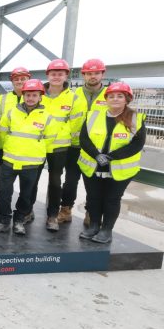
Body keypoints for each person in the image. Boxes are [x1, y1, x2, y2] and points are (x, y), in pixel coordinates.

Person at [77, 82, 145, 243]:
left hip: (119, 169)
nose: (115, 99)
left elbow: (137, 145)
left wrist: (111, 157)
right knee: (93, 197)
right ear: (106, 99)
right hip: (93, 166)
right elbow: (84, 139)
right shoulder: (93, 115)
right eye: (111, 96)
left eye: (120, 96)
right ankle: (94, 225)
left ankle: (106, 230)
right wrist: (96, 155)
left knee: (112, 199)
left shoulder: (136, 119)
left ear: (127, 99)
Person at [0, 79, 56, 235]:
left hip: (31, 164)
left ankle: (19, 221)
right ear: (23, 95)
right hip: (10, 160)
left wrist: (34, 150)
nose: (30, 98)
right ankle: (4, 221)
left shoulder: (47, 117)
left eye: (34, 95)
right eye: (28, 95)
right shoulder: (11, 112)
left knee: (26, 195)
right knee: (4, 193)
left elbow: (50, 139)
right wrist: (7, 149)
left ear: (40, 97)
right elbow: (3, 133)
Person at [33, 59, 80, 231]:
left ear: (66, 75)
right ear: (48, 75)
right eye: (53, 73)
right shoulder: (38, 93)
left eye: (60, 74)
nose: (56, 77)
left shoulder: (74, 98)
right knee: (33, 179)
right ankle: (28, 210)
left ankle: (52, 216)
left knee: (54, 181)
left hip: (59, 146)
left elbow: (76, 124)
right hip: (37, 144)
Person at [59, 58, 108, 225]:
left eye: (96, 73)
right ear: (83, 75)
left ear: (102, 74)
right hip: (74, 145)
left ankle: (91, 214)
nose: (92, 76)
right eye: (89, 73)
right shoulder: (74, 94)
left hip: (96, 148)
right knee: (71, 181)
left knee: (94, 183)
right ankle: (65, 210)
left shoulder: (109, 95)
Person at [0, 66, 31, 215]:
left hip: (29, 149)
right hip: (5, 147)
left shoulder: (37, 99)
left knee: (28, 184)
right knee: (5, 182)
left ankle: (27, 210)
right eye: (16, 79)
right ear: (12, 82)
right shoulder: (2, 99)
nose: (19, 81)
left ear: (28, 80)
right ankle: (2, 204)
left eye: (23, 78)